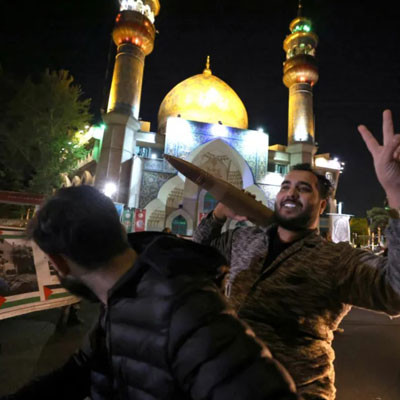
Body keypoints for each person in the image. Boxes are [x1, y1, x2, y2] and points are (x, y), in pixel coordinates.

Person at [1, 185, 297, 400]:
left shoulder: (186, 307)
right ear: (119, 228)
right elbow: (81, 371)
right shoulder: (119, 303)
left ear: (57, 263)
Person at [193, 109, 400, 400]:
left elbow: (395, 290)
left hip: (296, 390)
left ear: (322, 206)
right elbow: (198, 252)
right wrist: (219, 212)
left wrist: (395, 191)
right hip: (227, 382)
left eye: (303, 189)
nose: (290, 194)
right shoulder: (247, 240)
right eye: (286, 186)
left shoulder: (335, 259)